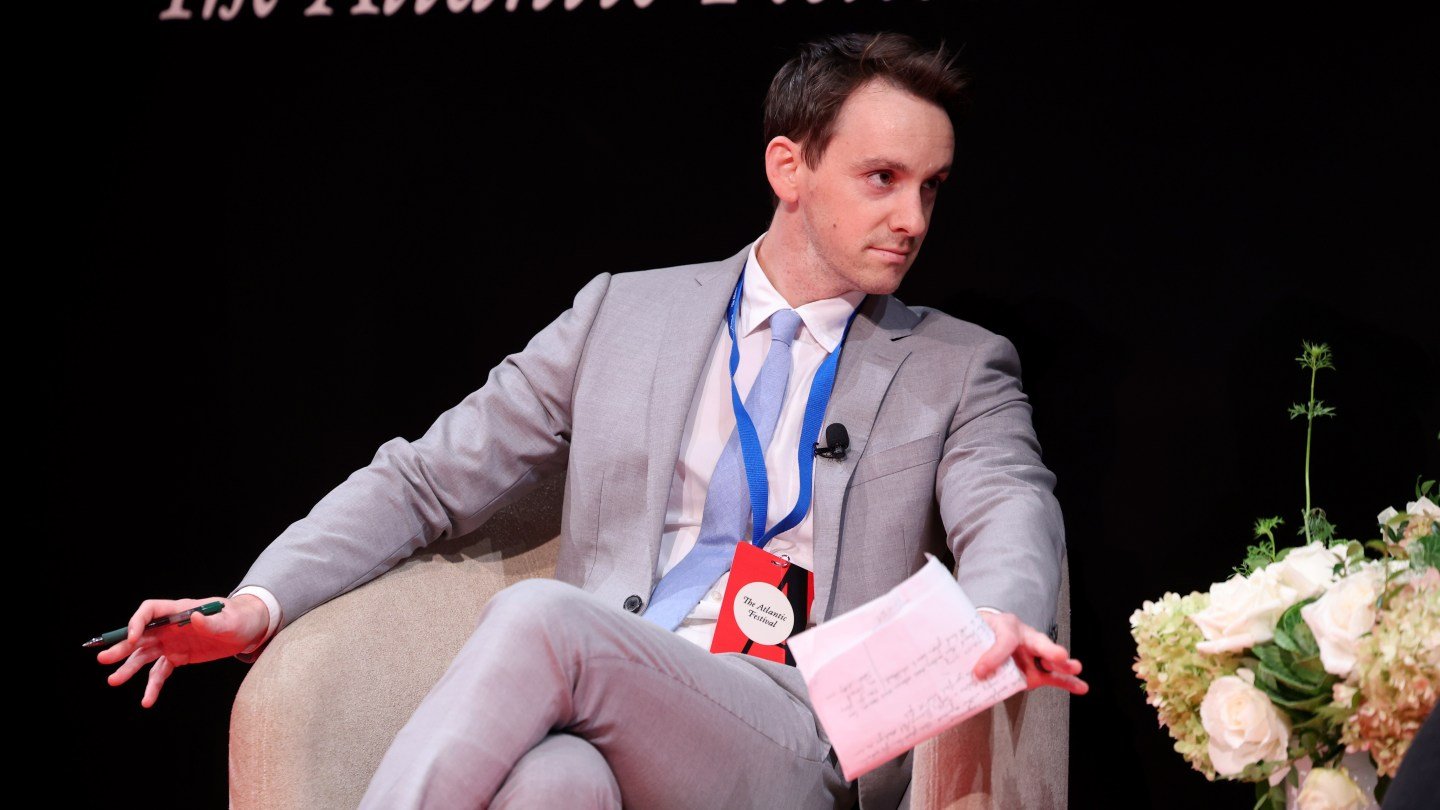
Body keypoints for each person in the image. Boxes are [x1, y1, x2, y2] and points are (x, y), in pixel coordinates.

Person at [97, 32, 1087, 809]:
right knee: (552, 785)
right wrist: (258, 603)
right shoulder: (623, 314)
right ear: (790, 168)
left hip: (800, 728)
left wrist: (997, 611)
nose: (913, 218)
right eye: (882, 178)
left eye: (930, 187)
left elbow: (1012, 506)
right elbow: (427, 478)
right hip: (619, 689)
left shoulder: (957, 365)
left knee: (542, 619)